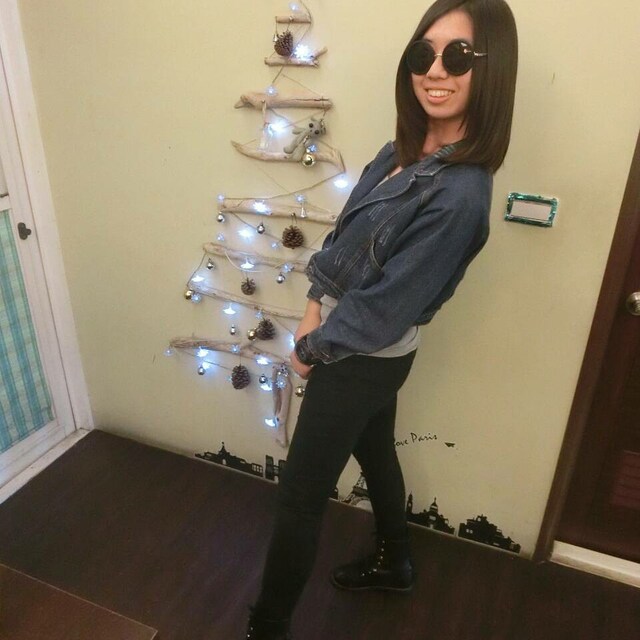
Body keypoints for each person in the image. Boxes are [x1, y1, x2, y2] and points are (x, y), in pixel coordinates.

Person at [245, 0, 518, 638]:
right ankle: (396, 563)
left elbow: (381, 310)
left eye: (459, 56)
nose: (436, 70)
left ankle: (268, 626)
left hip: (361, 356)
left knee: (299, 496)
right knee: (375, 451)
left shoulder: (459, 194)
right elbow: (344, 238)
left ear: (492, 69)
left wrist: (311, 348)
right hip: (350, 343)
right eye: (424, 53)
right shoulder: (401, 149)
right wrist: (313, 305)